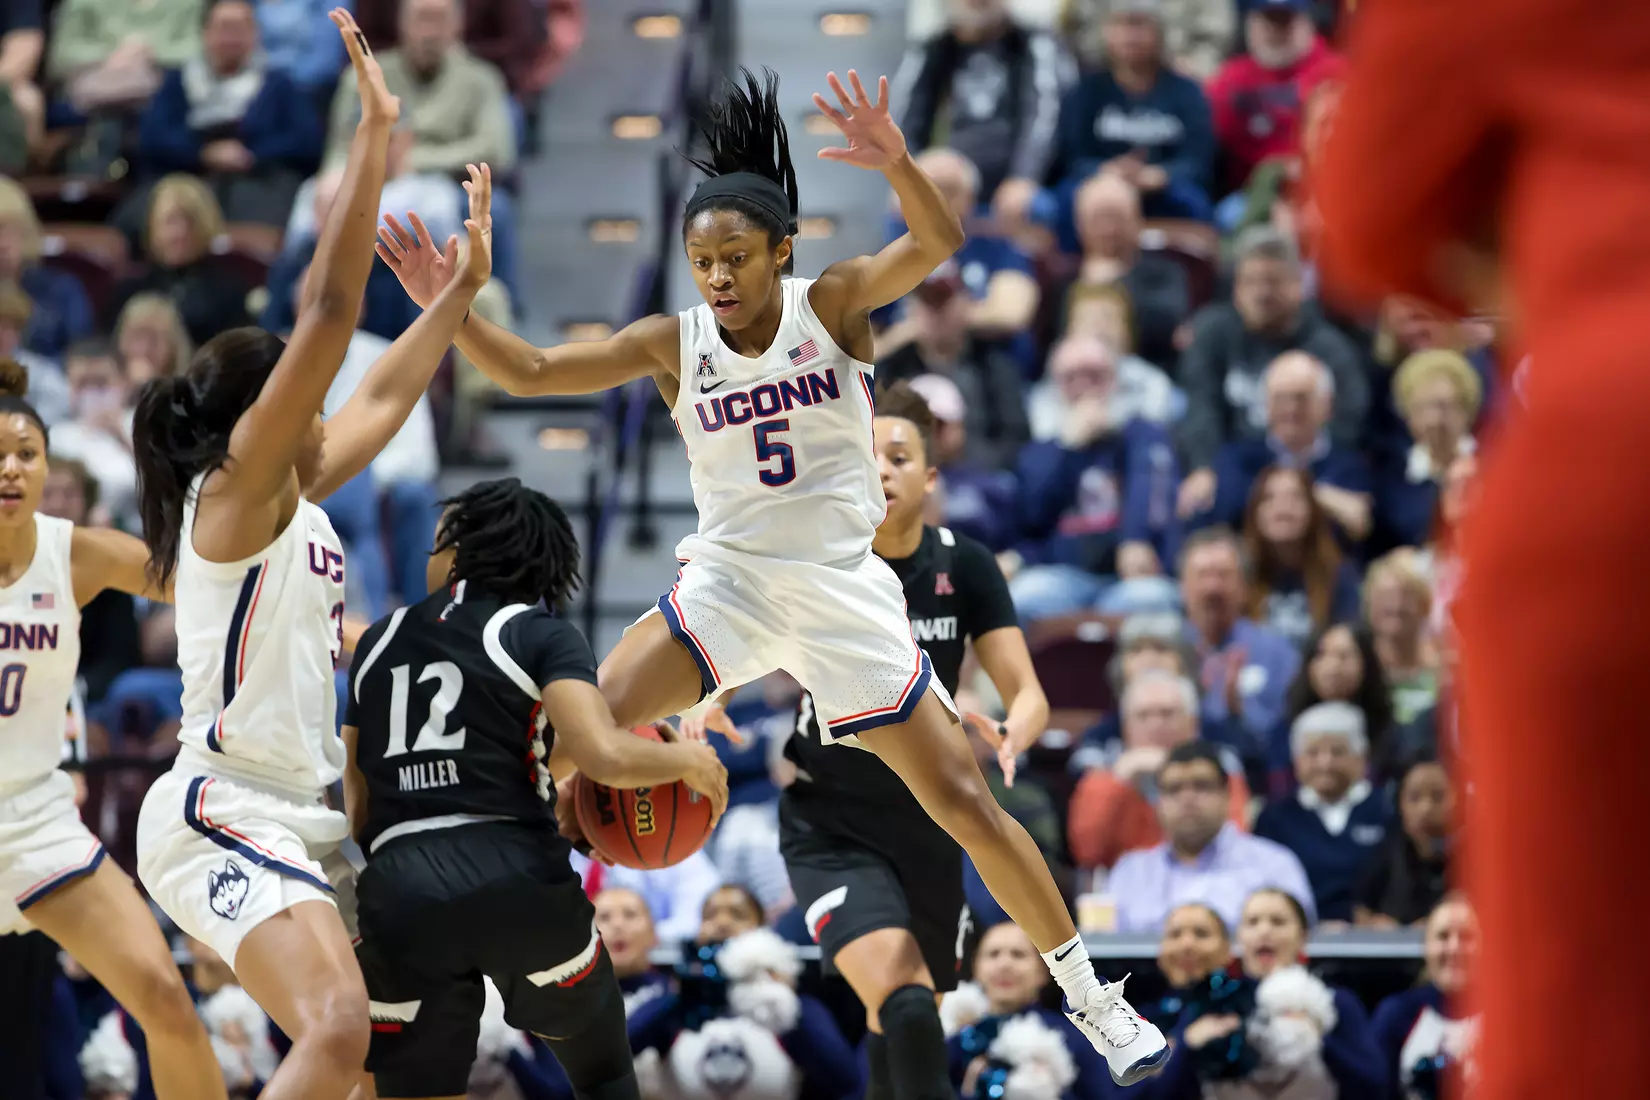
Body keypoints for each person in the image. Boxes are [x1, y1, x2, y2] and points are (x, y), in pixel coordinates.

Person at [378, 66, 1169, 1080]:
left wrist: (897, 163)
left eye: (735, 255)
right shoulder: (676, 342)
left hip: (841, 591)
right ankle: (492, 962)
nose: (716, 274)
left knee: (966, 801)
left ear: (781, 250)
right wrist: (451, 302)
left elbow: (935, 246)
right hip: (730, 584)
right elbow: (531, 372)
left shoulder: (832, 304)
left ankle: (1095, 998)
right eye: (700, 257)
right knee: (558, 740)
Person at [128, 13, 490, 1100]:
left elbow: (381, 392)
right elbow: (332, 310)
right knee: (338, 1033)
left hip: (300, 809)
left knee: (358, 1066)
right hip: (221, 804)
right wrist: (374, 139)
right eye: (298, 392)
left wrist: (457, 301)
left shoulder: (298, 500)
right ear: (260, 416)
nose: (321, 400)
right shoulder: (231, 497)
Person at [687, 380, 1051, 1100]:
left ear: (929, 475)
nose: (881, 469)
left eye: (899, 455)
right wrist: (708, 702)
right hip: (830, 823)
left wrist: (1016, 730)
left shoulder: (964, 565)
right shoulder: (814, 562)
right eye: (866, 456)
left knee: (906, 1021)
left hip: (932, 823)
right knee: (906, 1002)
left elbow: (1029, 693)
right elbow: (728, 638)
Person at [341, 477, 729, 1100]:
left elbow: (358, 804)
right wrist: (687, 762)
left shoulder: (379, 641)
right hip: (514, 880)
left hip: (400, 894)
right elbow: (602, 752)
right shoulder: (540, 633)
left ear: (463, 548)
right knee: (602, 1071)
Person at [0, 361, 229, 1100]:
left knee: (164, 994)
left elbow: (205, 580)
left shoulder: (74, 552)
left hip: (35, 819)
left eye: (26, 454)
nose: (11, 469)